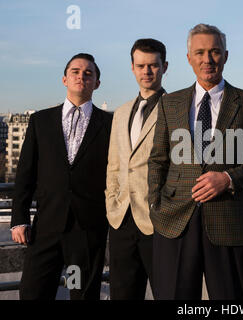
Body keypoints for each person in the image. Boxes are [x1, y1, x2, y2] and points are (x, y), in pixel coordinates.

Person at [148, 23, 243, 300]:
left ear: (226, 55)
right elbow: (157, 160)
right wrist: (155, 205)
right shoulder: (170, 103)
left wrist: (228, 179)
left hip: (228, 222)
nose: (208, 59)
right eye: (200, 52)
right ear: (188, 58)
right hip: (174, 222)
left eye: (215, 51)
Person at [11, 53, 112, 300]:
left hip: (88, 229)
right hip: (46, 228)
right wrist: (19, 218)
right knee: (33, 293)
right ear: (64, 79)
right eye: (76, 72)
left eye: (89, 73)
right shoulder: (40, 121)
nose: (82, 76)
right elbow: (25, 173)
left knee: (83, 294)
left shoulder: (110, 124)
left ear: (97, 83)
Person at [105, 38, 168, 299]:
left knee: (167, 292)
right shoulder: (120, 113)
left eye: (153, 65)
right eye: (141, 65)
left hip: (158, 221)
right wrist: (112, 202)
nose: (146, 72)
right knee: (122, 293)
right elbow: (115, 165)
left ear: (164, 67)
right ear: (132, 67)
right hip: (121, 220)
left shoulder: (175, 108)